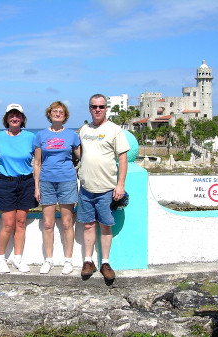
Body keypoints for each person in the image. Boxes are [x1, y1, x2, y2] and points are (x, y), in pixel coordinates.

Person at [77, 93, 130, 282]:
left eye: (101, 106)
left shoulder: (115, 130)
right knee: (88, 225)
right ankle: (88, 261)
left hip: (107, 188)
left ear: (106, 108)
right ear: (89, 108)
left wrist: (120, 185)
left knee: (106, 226)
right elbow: (79, 154)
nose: (97, 109)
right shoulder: (83, 130)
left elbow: (122, 159)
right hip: (86, 188)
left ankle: (105, 263)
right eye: (94, 106)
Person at [33, 101, 81, 275]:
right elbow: (37, 162)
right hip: (46, 181)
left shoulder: (72, 136)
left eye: (61, 112)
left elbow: (80, 157)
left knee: (67, 222)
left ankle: (68, 260)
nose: (58, 114)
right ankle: (49, 260)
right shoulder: (40, 135)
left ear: (65, 115)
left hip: (67, 181)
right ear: (49, 114)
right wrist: (36, 186)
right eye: (55, 111)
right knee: (47, 223)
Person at [0, 104, 38, 273]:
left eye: (18, 115)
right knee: (8, 224)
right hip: (5, 183)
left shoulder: (31, 137)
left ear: (22, 118)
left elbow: (39, 160)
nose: (15, 118)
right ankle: (0, 259)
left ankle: (18, 259)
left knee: (21, 223)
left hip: (26, 182)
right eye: (11, 115)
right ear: (6, 118)